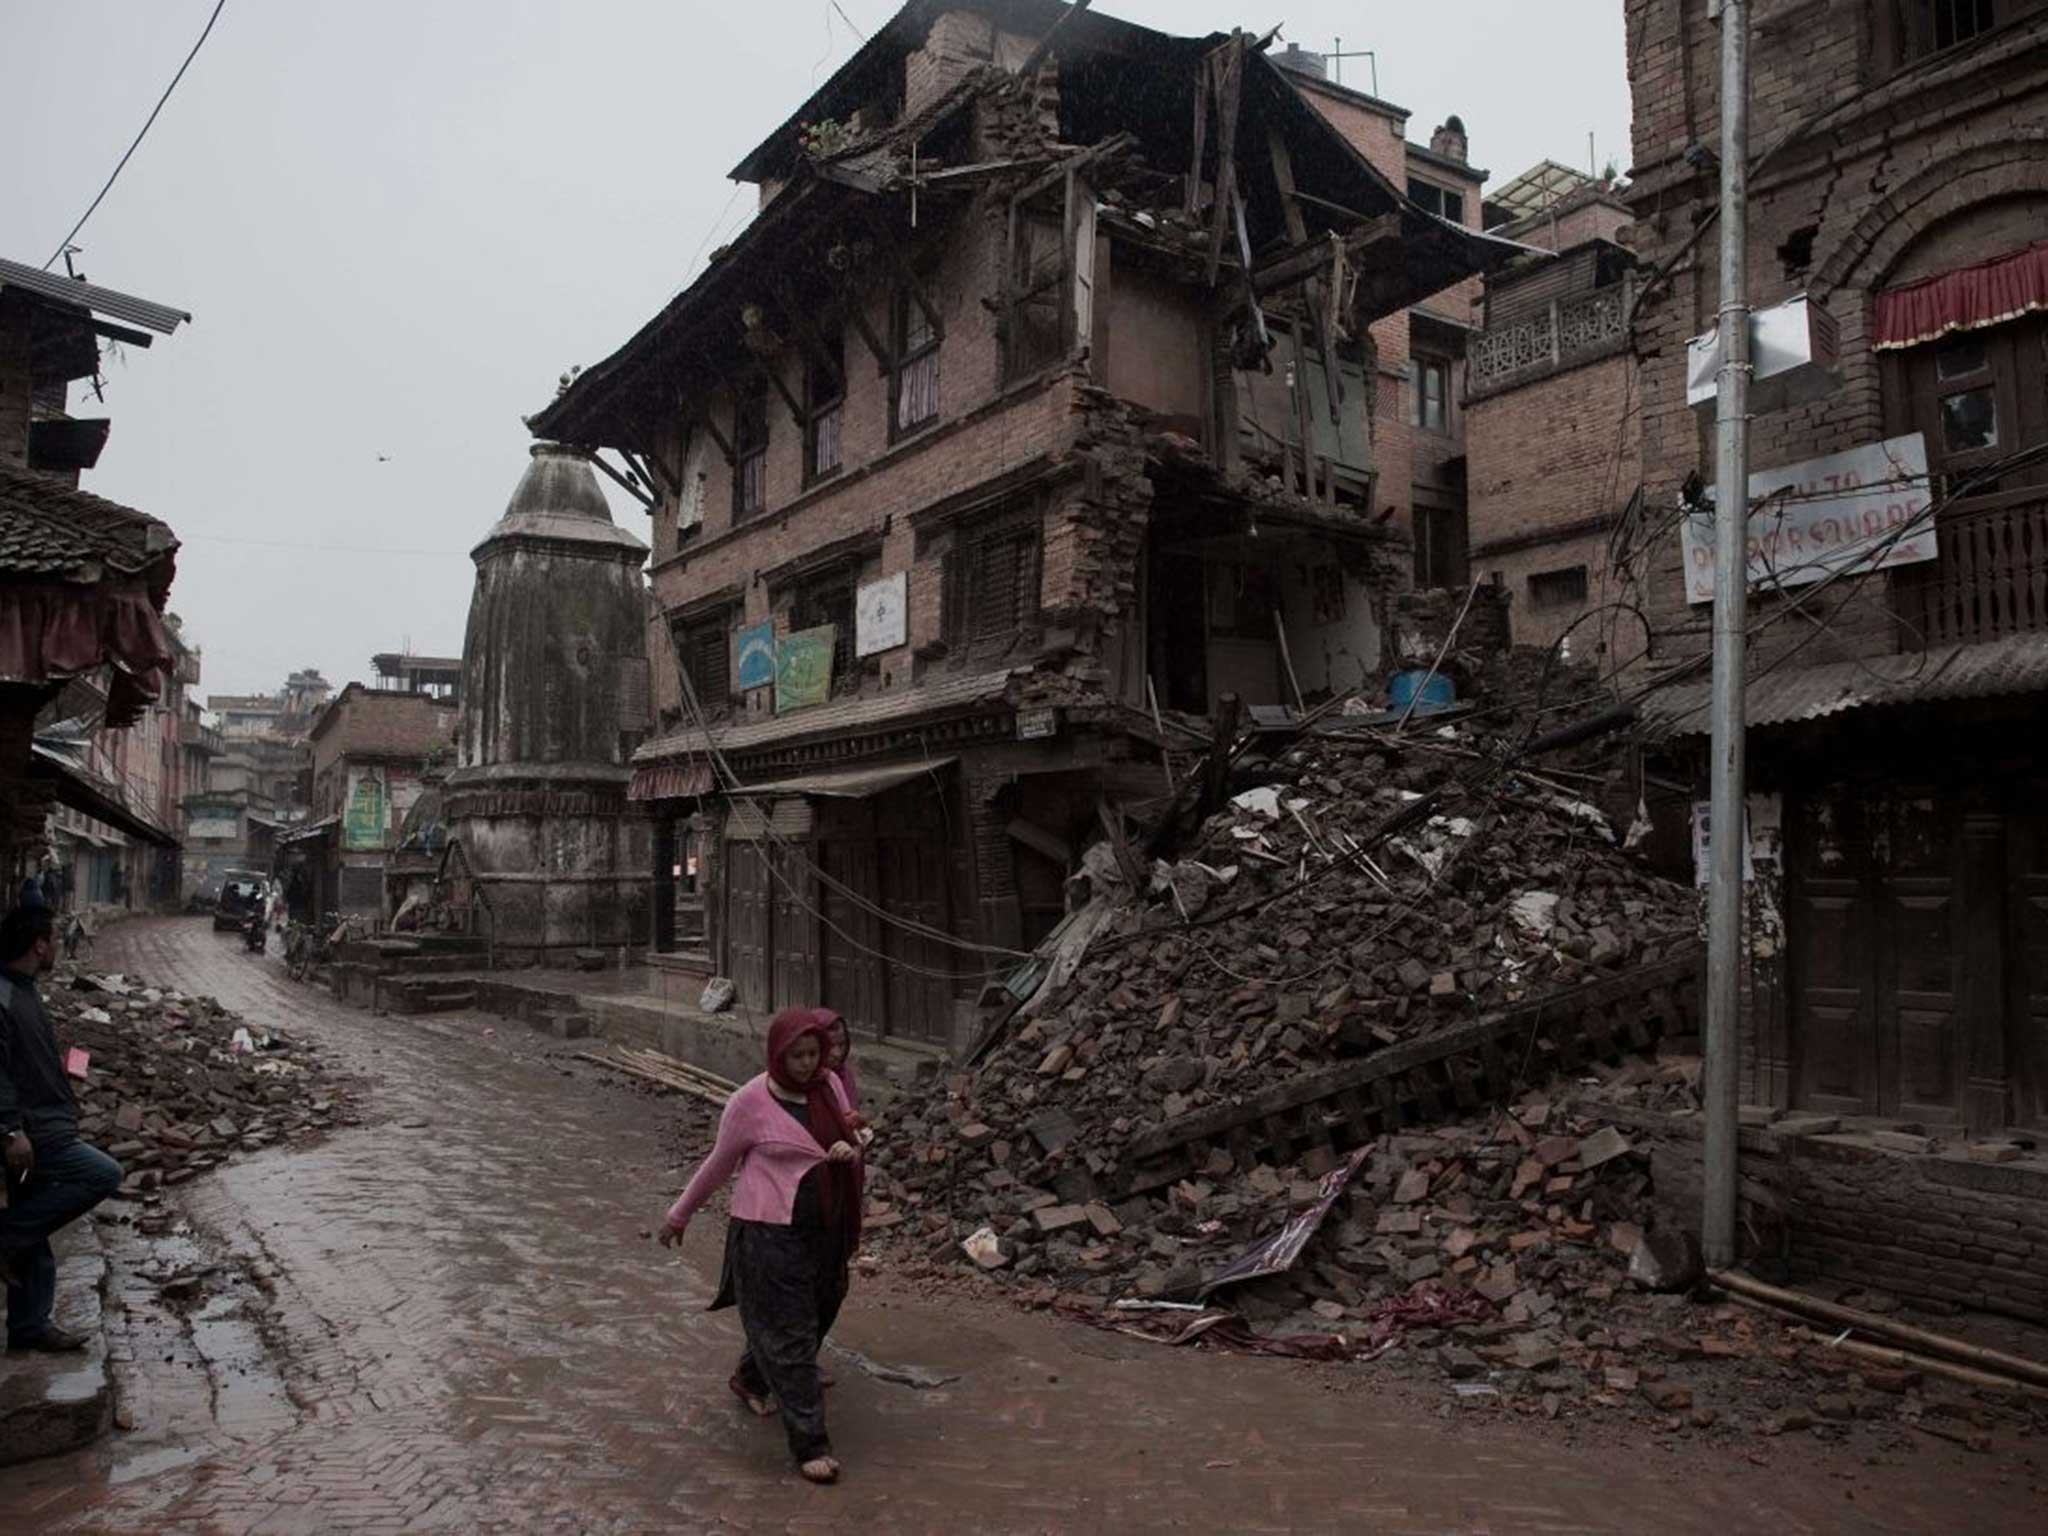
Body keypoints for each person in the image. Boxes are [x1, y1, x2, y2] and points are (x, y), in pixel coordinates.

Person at [660, 1008, 862, 1485]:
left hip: (826, 1226)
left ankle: (751, 1376)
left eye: (814, 1054)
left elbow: (848, 1137)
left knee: (823, 1304)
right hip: (769, 1230)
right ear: (777, 1054)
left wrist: (848, 1149)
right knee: (792, 1334)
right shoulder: (748, 1102)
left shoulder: (830, 1087)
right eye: (798, 1056)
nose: (808, 1065)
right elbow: (717, 1164)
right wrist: (678, 1216)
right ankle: (810, 1443)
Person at [0, 906, 123, 1352]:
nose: (58, 945)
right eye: (54, 937)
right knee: (103, 1174)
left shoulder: (24, 991)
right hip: (33, 1136)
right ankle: (6, 1235)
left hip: (42, 1125)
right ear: (38, 944)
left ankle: (29, 1325)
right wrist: (11, 1130)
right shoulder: (6, 996)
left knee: (35, 1226)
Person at [822, 1012, 861, 1117]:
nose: (837, 1053)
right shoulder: (804, 1081)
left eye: (841, 1045)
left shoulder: (845, 1076)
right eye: (830, 1046)